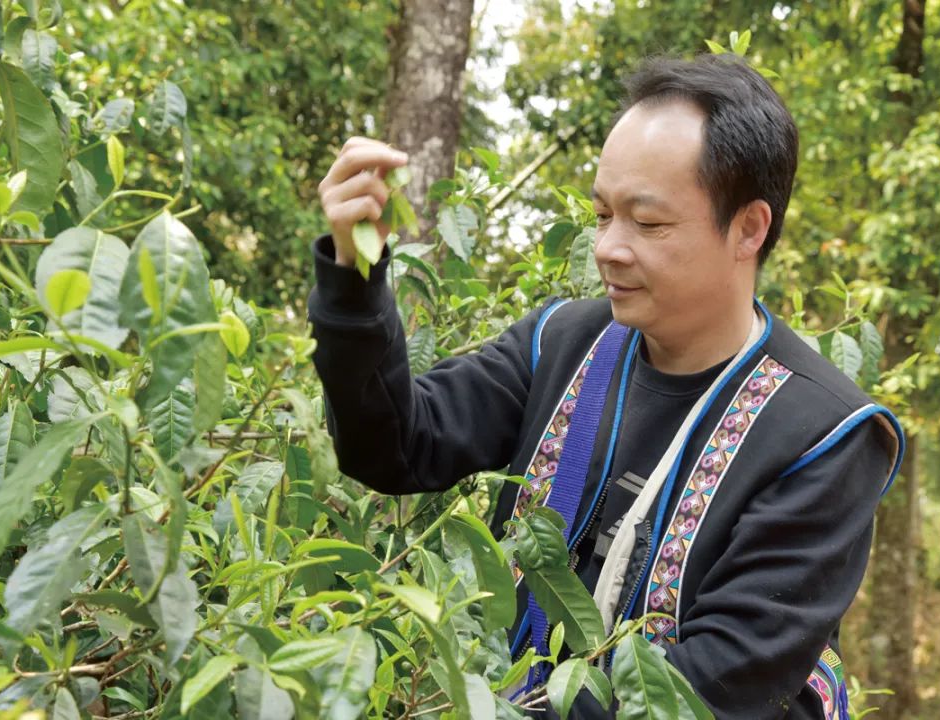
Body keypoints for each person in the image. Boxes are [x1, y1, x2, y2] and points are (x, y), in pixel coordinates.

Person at [308, 53, 903, 720]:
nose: (609, 248)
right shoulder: (563, 342)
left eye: (647, 223)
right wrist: (353, 272)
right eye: (601, 215)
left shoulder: (825, 435)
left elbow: (711, 684)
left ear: (749, 228)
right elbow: (393, 444)